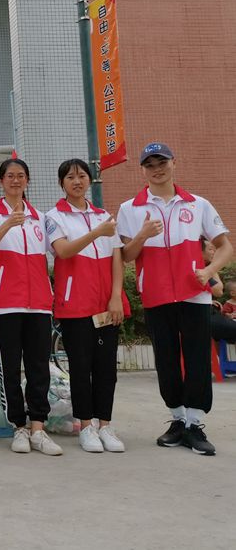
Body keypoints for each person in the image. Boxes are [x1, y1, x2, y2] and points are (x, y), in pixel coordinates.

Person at [117, 142, 232, 456]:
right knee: (166, 359)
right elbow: (126, 255)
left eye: (162, 162)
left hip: (194, 295)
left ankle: (195, 423)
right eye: (150, 165)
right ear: (143, 170)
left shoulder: (198, 204)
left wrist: (209, 270)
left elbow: (225, 246)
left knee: (197, 359)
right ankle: (178, 419)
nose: (157, 169)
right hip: (155, 295)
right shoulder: (130, 209)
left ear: (173, 164)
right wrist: (142, 234)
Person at [0, 158, 63, 456]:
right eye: (10, 176)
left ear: (27, 180)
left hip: (39, 303)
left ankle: (38, 427)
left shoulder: (40, 217)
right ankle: (18, 427)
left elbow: (56, 251)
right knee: (9, 366)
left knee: (39, 366)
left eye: (21, 175)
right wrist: (8, 223)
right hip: (6, 302)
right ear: (1, 181)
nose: (15, 180)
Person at [45, 159, 128, 454]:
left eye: (82, 176)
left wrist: (116, 295)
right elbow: (63, 251)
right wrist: (96, 233)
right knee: (80, 367)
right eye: (70, 177)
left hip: (106, 304)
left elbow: (117, 258)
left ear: (90, 180)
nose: (77, 181)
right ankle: (86, 426)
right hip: (75, 304)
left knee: (106, 368)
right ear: (62, 184)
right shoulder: (54, 217)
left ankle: (105, 425)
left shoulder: (103, 216)